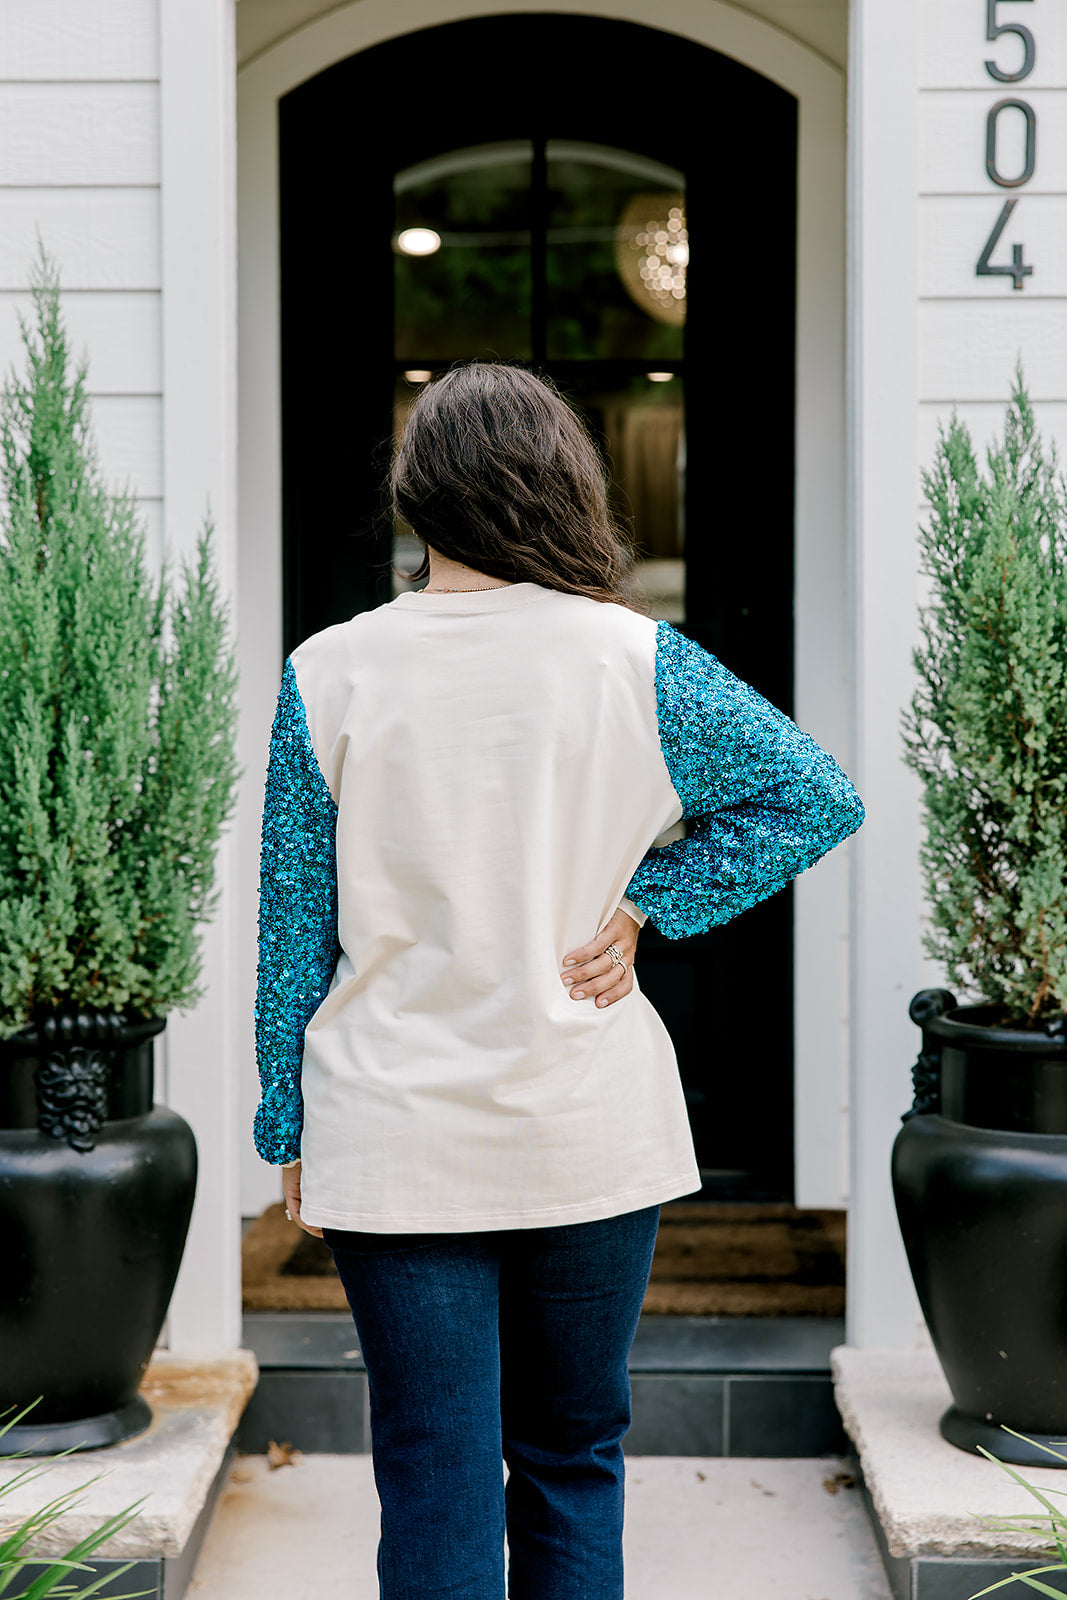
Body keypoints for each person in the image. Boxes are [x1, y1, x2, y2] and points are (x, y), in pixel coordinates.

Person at [254, 362, 864, 1600]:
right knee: (572, 1453)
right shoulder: (636, 659)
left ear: (419, 495)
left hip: (391, 1120)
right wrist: (654, 901)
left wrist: (287, 1124)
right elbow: (813, 794)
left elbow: (292, 933)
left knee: (431, 1468)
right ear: (557, 486)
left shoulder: (329, 670)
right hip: (586, 1120)